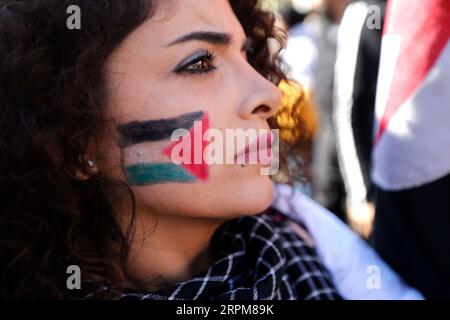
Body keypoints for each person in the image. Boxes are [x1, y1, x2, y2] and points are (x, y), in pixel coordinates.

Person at [0, 0, 419, 300]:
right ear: (76, 142)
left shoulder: (304, 232)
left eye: (245, 54)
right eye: (199, 62)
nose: (268, 94)